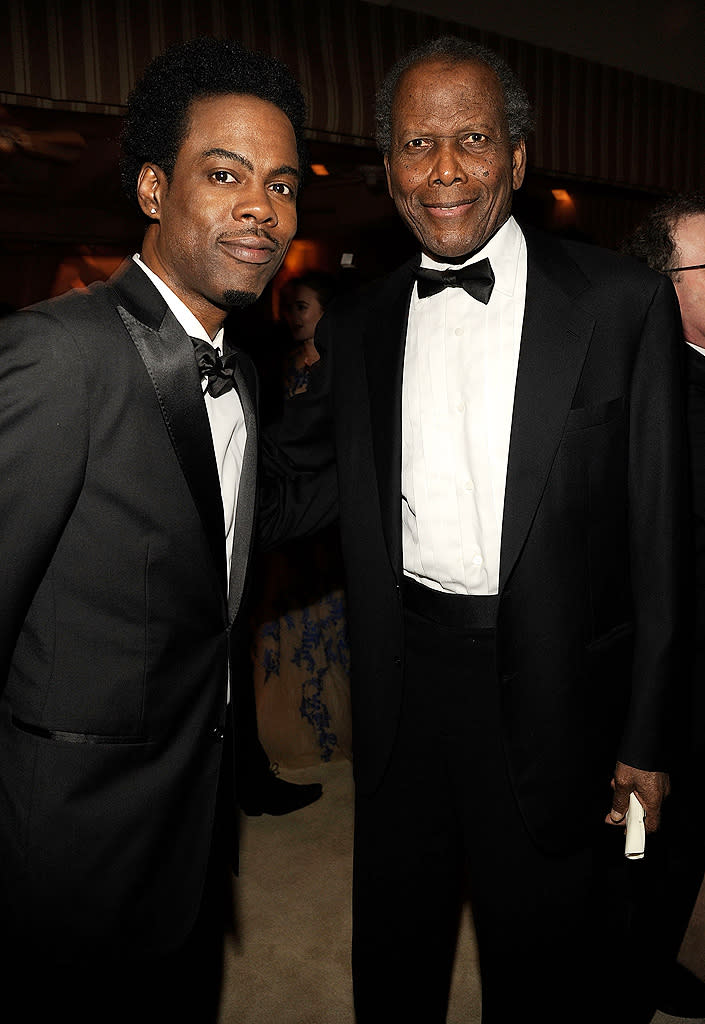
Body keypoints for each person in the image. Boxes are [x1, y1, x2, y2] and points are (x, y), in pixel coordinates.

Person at [308, 35, 687, 1024]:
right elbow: (303, 485)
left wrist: (648, 731)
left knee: (543, 959)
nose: (442, 170)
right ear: (386, 165)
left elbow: (660, 539)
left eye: (470, 138)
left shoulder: (620, 304)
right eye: (415, 144)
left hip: (559, 680)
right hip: (402, 679)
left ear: (517, 157)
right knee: (396, 948)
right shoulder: (359, 321)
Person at [0, 36, 332, 1024]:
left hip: (190, 823)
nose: (260, 209)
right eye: (223, 174)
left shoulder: (245, 366)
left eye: (280, 184)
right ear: (152, 188)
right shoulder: (58, 357)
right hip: (66, 852)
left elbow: (241, 520)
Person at [622, 192, 705, 1017]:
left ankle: (649, 964)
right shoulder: (648, 384)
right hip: (669, 674)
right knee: (650, 848)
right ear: (662, 283)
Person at [250, 271, 352, 767]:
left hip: (323, 517)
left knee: (324, 626)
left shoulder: (340, 368)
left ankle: (327, 733)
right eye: (290, 307)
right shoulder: (278, 365)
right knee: (282, 624)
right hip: (281, 512)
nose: (294, 317)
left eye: (303, 307)